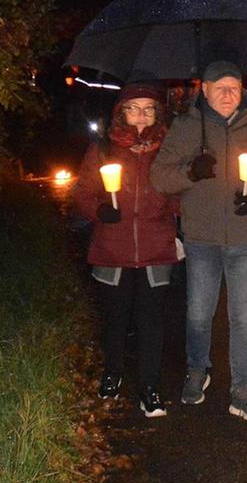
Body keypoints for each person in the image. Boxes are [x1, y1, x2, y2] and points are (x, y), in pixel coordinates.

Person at [151, 60, 247, 421]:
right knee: (199, 312)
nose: (227, 94)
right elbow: (160, 177)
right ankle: (197, 369)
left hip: (246, 238)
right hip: (202, 237)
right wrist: (191, 171)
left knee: (244, 317)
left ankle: (243, 387)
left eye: (234, 87)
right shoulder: (186, 127)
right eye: (219, 87)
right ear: (203, 90)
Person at [74, 82, 178, 418]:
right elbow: (83, 193)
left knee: (151, 321)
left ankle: (150, 387)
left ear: (158, 113)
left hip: (155, 247)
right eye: (134, 107)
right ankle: (113, 373)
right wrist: (99, 210)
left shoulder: (168, 150)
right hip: (112, 249)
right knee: (115, 319)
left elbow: (178, 195)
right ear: (121, 112)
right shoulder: (103, 150)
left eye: (149, 108)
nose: (141, 115)